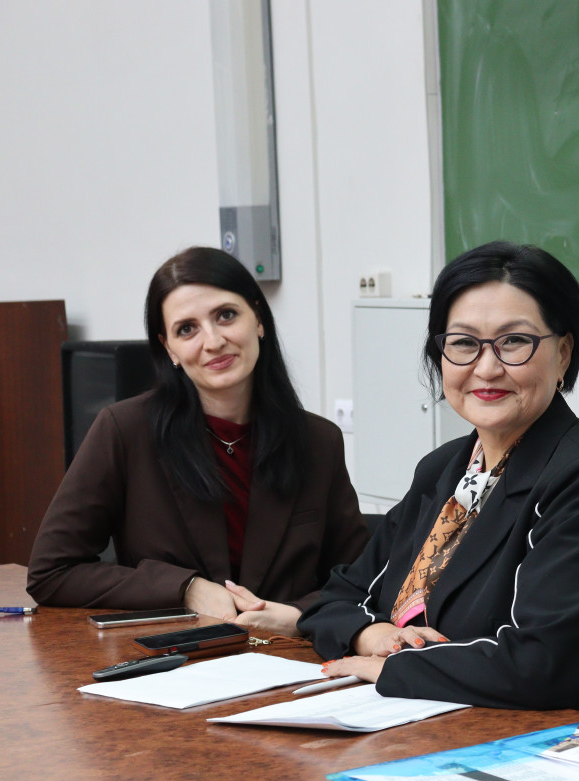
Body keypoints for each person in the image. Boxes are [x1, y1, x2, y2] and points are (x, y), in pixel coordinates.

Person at [300, 241, 579, 727]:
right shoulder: (445, 469)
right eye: (463, 343)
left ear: (563, 354)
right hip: (439, 723)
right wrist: (370, 635)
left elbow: (540, 665)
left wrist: (396, 667)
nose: (486, 368)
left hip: (577, 744)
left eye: (514, 341)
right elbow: (336, 598)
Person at [28, 247, 369, 635]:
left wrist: (299, 616)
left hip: (289, 656)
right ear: (169, 348)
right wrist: (185, 588)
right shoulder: (124, 430)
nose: (213, 341)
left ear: (258, 319)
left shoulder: (319, 441)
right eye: (186, 329)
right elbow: (51, 572)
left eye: (226, 315)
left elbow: (362, 579)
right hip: (173, 657)